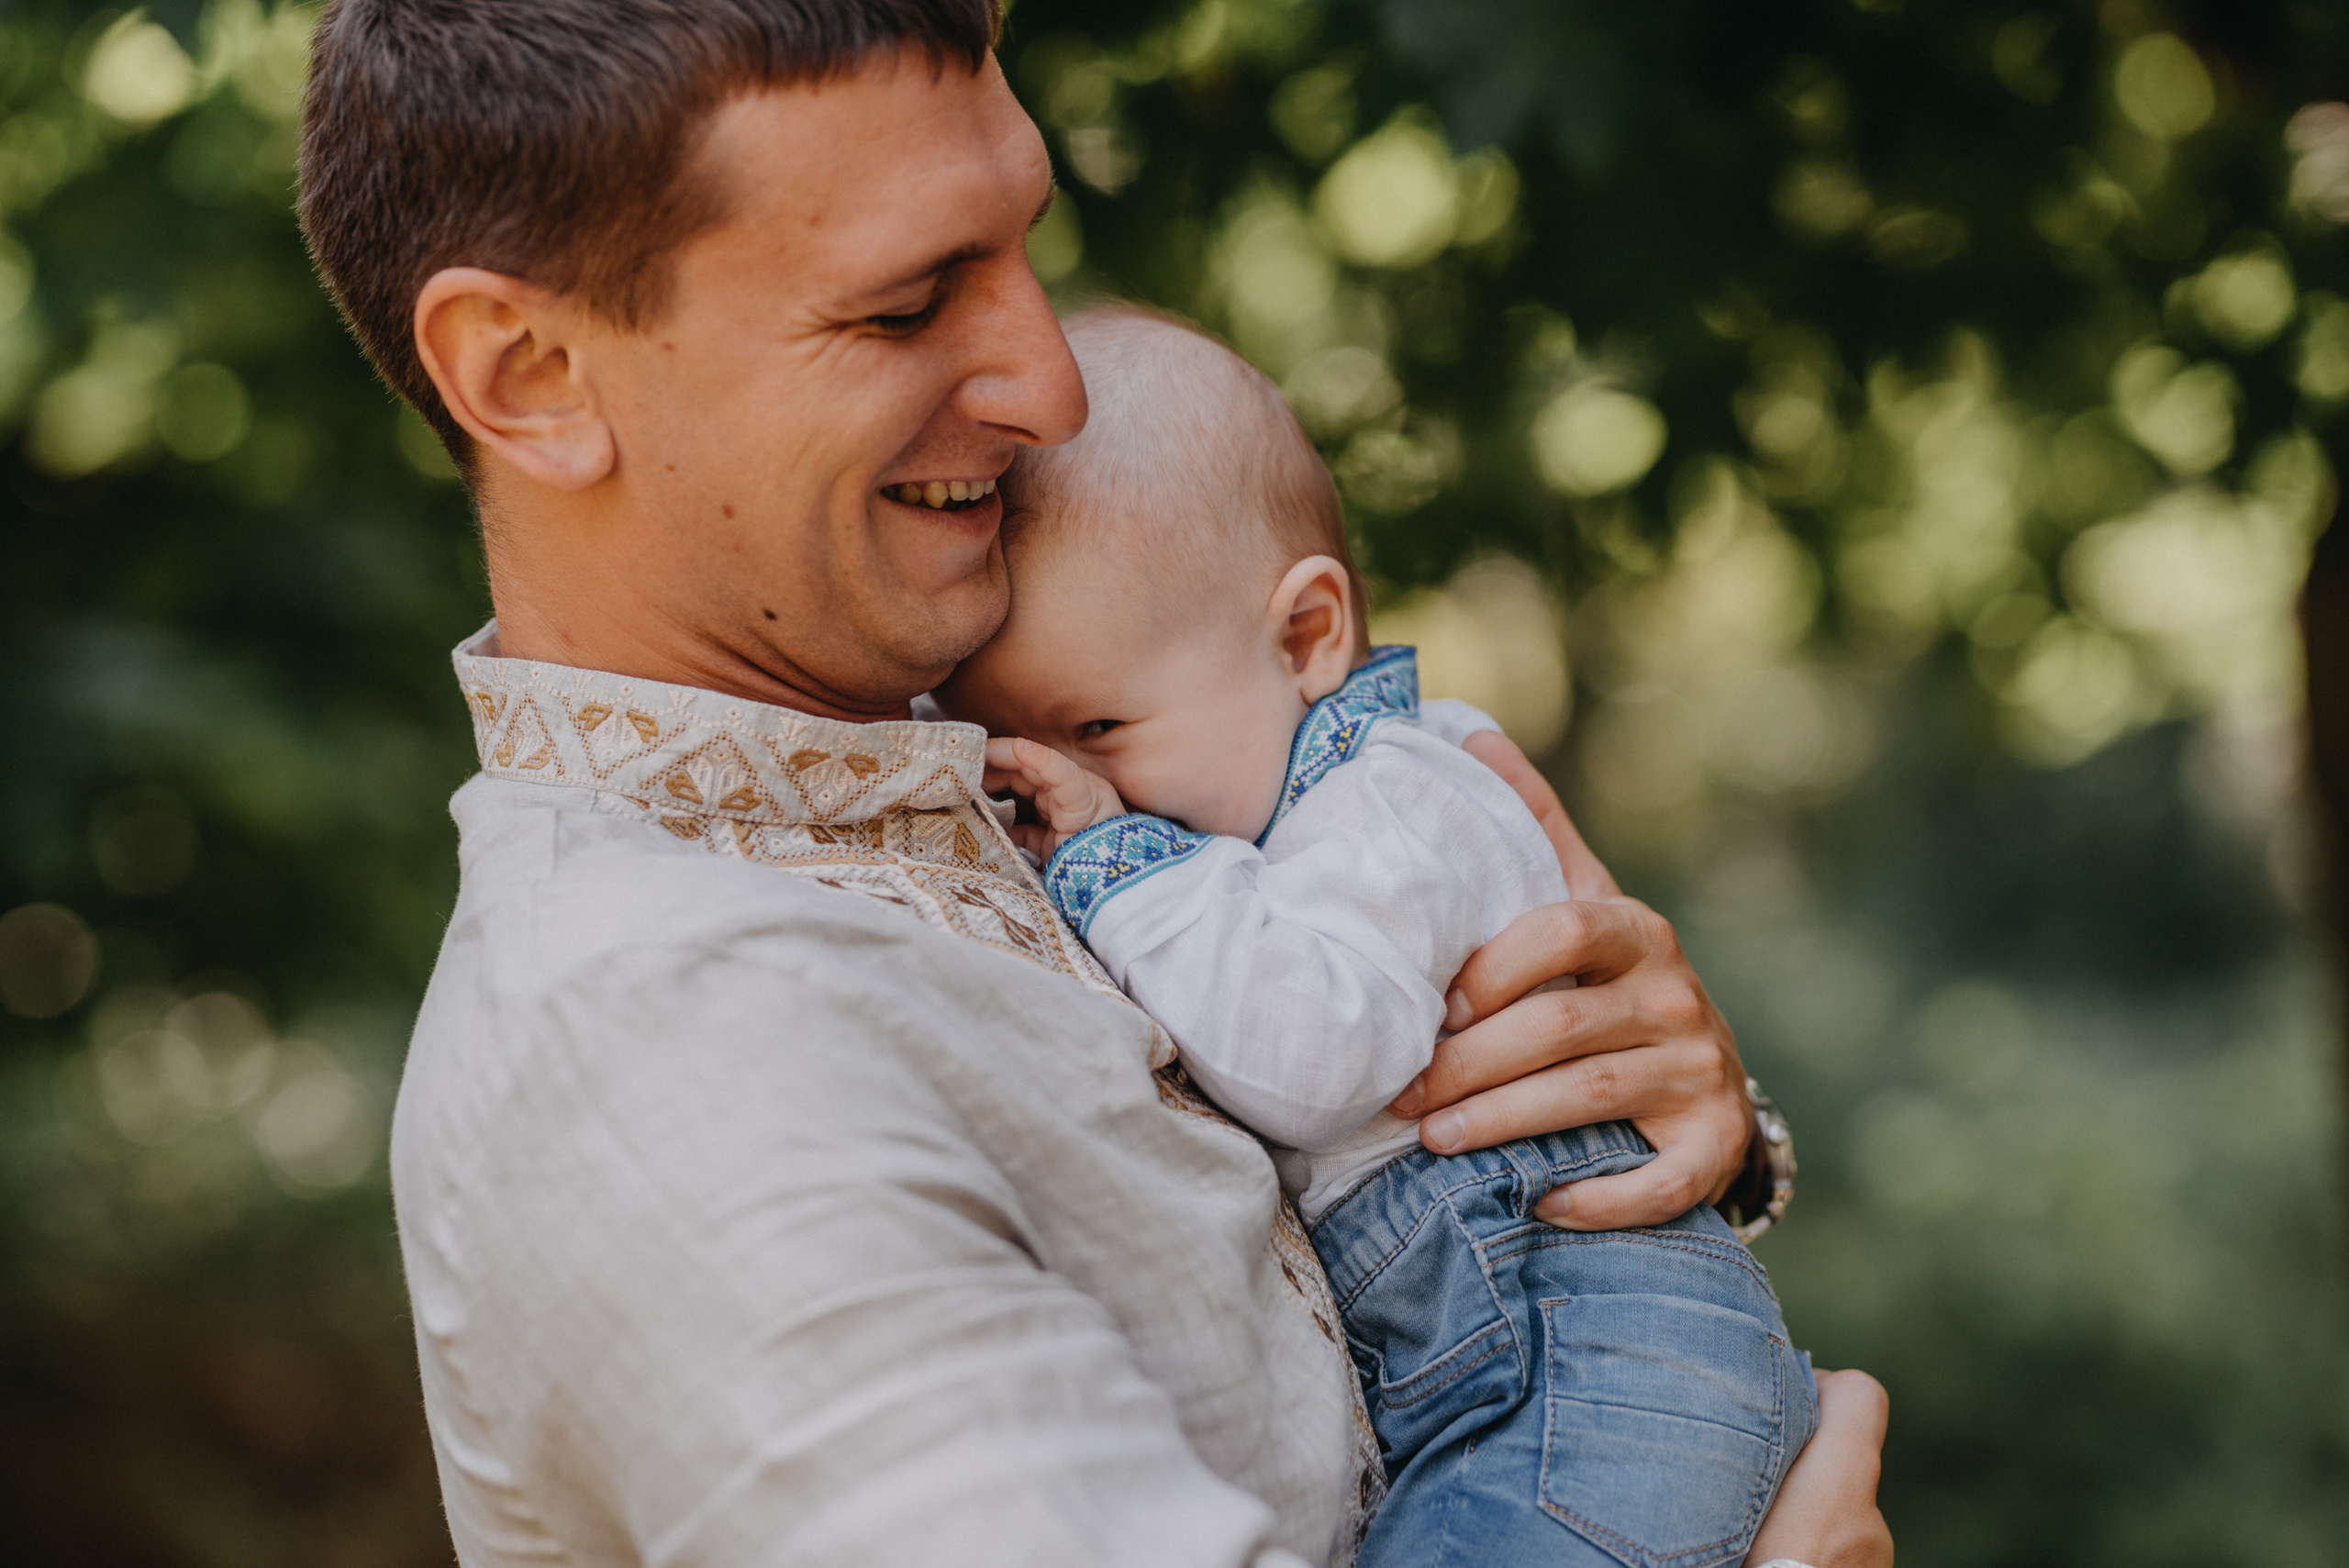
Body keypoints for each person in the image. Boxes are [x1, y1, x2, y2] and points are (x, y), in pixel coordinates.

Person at [295, 2, 1894, 1564]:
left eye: (1022, 249)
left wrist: (1649, 1114)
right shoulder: (655, 1037)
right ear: (529, 373)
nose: (1053, 390)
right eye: (910, 302)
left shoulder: (1007, 716)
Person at [944, 307, 1816, 1567]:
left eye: (1096, 731)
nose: (1064, 787)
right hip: (1529, 1359)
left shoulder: (1384, 805)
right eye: (1004, 742)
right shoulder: (1280, 773)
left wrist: (1110, 862)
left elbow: (1312, 1058)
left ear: (1307, 637)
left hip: (1575, 1363)